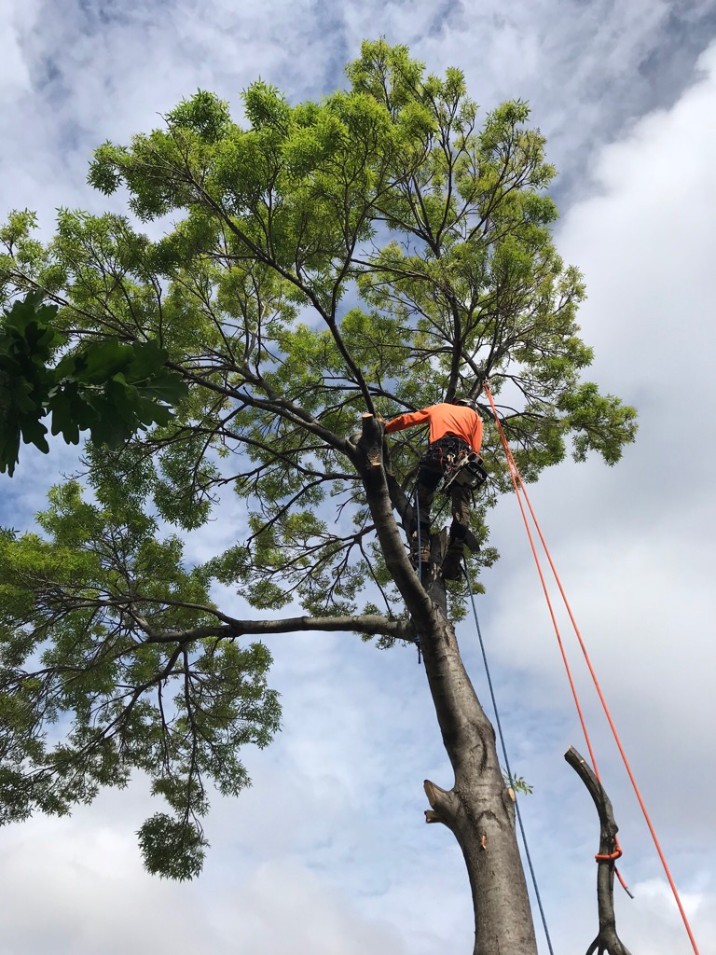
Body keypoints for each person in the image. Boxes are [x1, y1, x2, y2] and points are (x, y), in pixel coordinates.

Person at [384, 397, 484, 580]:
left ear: (457, 403)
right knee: (461, 508)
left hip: (436, 454)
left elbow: (409, 419)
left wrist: (385, 427)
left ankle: (421, 549)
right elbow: (476, 450)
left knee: (422, 504)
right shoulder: (475, 417)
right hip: (462, 459)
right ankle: (454, 556)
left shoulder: (440, 408)